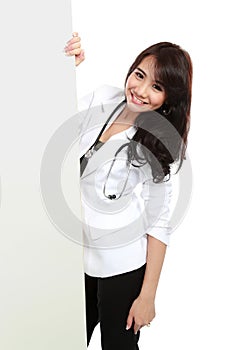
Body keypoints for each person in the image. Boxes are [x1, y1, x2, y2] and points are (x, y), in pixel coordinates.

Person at [64, 32, 192, 350]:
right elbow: (52, 120)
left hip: (120, 268)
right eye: (139, 75)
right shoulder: (102, 99)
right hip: (73, 258)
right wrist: (66, 70)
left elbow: (159, 222)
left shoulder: (159, 142)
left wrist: (147, 295)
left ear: (168, 99)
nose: (141, 90)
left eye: (157, 87)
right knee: (61, 339)